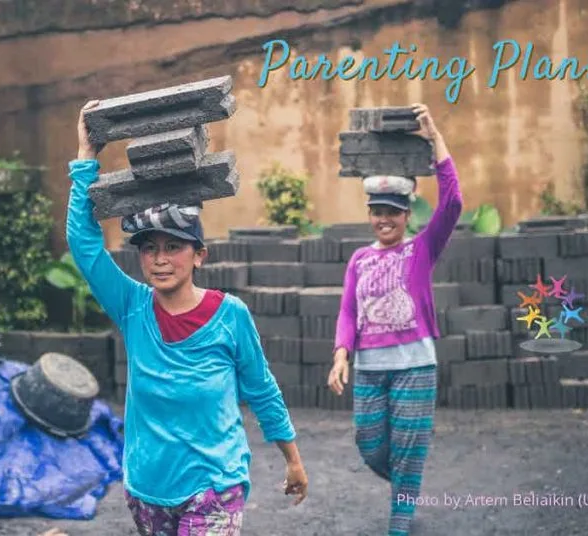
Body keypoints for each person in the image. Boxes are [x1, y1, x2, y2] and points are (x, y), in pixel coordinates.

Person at [66, 100, 309, 535]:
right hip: (147, 490)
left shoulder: (230, 316)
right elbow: (83, 246)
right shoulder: (132, 306)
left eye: (173, 247)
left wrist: (292, 459)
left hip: (215, 487)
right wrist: (87, 155)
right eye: (149, 248)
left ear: (199, 255)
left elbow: (261, 389)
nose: (159, 260)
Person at [326, 103, 463, 536]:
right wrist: (341, 354)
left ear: (407, 215)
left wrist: (434, 138)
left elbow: (454, 201)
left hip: (415, 367)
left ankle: (400, 519)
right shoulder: (360, 259)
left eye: (393, 211)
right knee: (370, 445)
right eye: (377, 210)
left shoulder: (422, 249)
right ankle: (408, 482)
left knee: (409, 447)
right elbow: (348, 310)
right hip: (370, 368)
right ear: (370, 214)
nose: (384, 218)